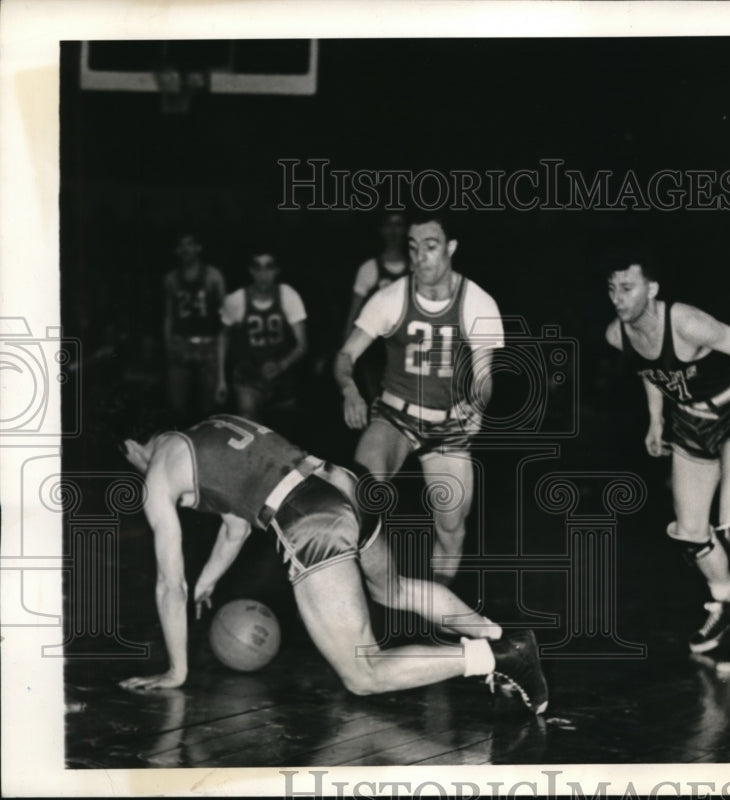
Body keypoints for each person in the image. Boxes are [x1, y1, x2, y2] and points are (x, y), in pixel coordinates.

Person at [117, 413, 548, 714]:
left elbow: (168, 585)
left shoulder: (158, 469)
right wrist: (208, 581)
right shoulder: (212, 430)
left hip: (313, 516)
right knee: (393, 589)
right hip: (345, 483)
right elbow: (236, 527)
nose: (140, 470)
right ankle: (497, 633)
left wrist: (177, 670)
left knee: (363, 673)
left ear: (134, 447)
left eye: (133, 461)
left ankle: (502, 657)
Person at [605, 255, 730, 665]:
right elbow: (649, 370)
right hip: (689, 423)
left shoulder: (687, 323)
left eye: (626, 288)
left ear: (652, 289)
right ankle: (727, 602)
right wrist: (655, 420)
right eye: (611, 289)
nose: (617, 298)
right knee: (690, 532)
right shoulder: (617, 334)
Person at [335, 214, 504, 585]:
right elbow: (346, 355)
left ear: (451, 248)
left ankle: (435, 609)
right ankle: (359, 593)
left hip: (449, 423)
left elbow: (484, 377)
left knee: (452, 528)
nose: (420, 257)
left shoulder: (477, 302)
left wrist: (475, 404)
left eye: (430, 247)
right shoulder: (390, 298)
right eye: (413, 248)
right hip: (396, 416)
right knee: (361, 494)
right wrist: (350, 389)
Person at [218, 250, 308, 426]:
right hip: (248, 377)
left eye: (268, 267)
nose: (263, 274)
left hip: (283, 379)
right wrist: (220, 380)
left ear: (277, 270)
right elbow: (222, 338)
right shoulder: (236, 300)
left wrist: (281, 365)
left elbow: (302, 345)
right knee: (250, 430)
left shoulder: (288, 295)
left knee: (284, 435)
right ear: (250, 270)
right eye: (257, 267)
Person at [337, 212, 411, 402]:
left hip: (408, 352)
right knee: (379, 405)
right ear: (382, 230)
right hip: (376, 354)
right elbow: (353, 316)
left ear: (405, 230)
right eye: (389, 225)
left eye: (399, 225)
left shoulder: (416, 268)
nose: (394, 230)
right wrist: (345, 355)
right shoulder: (369, 268)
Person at [162, 232, 226, 425]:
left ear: (199, 247)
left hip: (208, 345)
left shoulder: (213, 276)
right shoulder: (171, 279)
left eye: (190, 244)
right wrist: (168, 346)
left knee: (209, 408)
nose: (186, 249)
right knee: (177, 406)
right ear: (177, 250)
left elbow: (225, 315)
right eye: (182, 245)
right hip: (181, 344)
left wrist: (221, 347)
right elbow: (169, 315)